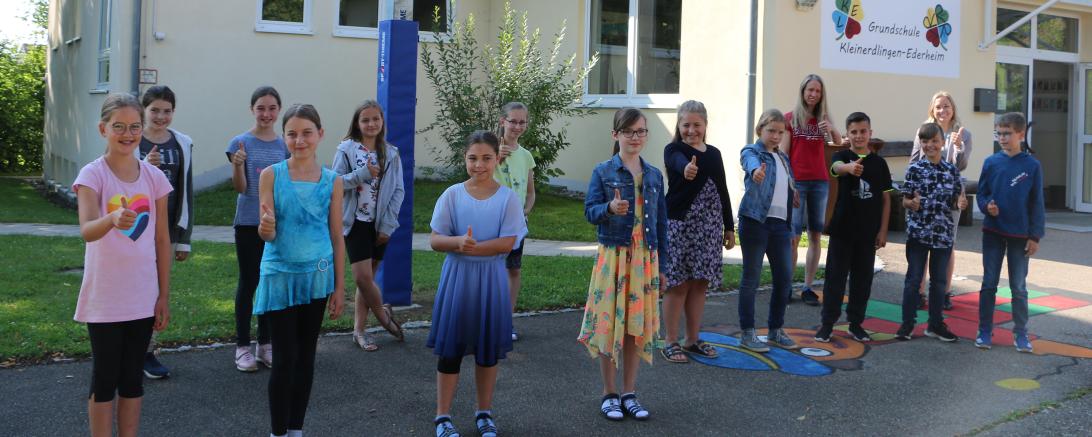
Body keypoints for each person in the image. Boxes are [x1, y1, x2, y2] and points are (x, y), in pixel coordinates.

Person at [74, 93, 172, 437]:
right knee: (105, 378)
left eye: (134, 127)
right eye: (119, 127)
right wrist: (112, 218)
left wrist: (163, 295)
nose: (127, 134)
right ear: (103, 129)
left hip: (142, 296)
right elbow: (87, 230)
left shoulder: (154, 177)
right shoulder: (92, 175)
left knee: (132, 378)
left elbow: (162, 240)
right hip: (105, 297)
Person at [253, 104, 346, 437]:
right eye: (292, 134)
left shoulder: (333, 181)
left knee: (305, 357)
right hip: (280, 277)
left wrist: (339, 286)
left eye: (307, 133)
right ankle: (278, 432)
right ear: (284, 137)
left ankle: (296, 430)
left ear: (320, 134)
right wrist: (265, 227)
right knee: (284, 358)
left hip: (316, 278)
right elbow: (267, 233)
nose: (300, 140)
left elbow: (336, 235)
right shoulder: (271, 175)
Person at [427, 131, 526, 437]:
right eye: (473, 158)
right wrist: (458, 242)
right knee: (451, 351)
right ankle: (443, 417)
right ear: (464, 159)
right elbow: (435, 239)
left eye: (486, 158)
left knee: (487, 351)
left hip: (491, 280)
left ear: (497, 159)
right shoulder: (452, 195)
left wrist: (472, 248)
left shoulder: (508, 198)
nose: (479, 165)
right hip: (458, 280)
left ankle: (484, 413)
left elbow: (508, 242)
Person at [578, 107, 667, 422]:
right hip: (614, 257)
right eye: (629, 131)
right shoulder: (603, 171)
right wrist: (609, 208)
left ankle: (629, 393)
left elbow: (661, 223)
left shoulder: (654, 174)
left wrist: (664, 267)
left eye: (641, 131)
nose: (635, 137)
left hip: (644, 259)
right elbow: (589, 211)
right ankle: (609, 393)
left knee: (634, 326)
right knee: (608, 325)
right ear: (616, 135)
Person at [660, 100, 734, 363]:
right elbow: (677, 162)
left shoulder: (714, 154)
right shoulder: (673, 150)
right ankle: (670, 340)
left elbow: (723, 190)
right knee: (678, 285)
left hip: (709, 229)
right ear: (678, 126)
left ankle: (692, 339)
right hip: (680, 227)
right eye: (686, 125)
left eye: (697, 125)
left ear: (705, 125)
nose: (691, 130)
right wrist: (686, 168)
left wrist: (729, 227)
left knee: (700, 284)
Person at [226, 86, 290, 372]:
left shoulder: (283, 146)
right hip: (248, 224)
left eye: (272, 108)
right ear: (252, 109)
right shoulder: (240, 143)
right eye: (261, 108)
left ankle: (265, 345)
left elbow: (285, 187)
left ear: (278, 111)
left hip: (276, 225)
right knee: (249, 282)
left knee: (270, 283)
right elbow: (241, 188)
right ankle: (242, 347)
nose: (266, 114)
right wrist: (237, 166)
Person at [332, 100, 405, 351]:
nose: (371, 124)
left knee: (368, 280)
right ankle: (384, 318)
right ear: (357, 123)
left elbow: (398, 191)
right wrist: (362, 174)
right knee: (363, 279)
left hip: (380, 224)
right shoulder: (346, 150)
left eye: (376, 119)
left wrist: (388, 225)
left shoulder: (391, 153)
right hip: (355, 222)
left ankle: (359, 331)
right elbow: (335, 183)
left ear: (382, 121)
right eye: (365, 120)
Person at [814, 112, 892, 343]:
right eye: (854, 132)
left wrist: (883, 230)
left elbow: (886, 199)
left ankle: (855, 324)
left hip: (867, 234)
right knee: (835, 279)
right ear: (847, 134)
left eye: (863, 131)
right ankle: (827, 324)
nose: (859, 136)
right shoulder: (841, 156)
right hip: (842, 231)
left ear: (870, 133)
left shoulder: (879, 163)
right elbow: (837, 167)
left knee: (862, 281)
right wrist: (848, 168)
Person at [975, 112, 1045, 352]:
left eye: (1007, 134)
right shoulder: (991, 163)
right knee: (989, 284)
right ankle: (984, 330)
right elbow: (982, 194)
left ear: (1021, 134)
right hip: (993, 232)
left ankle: (1021, 333)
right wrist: (987, 206)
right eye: (999, 134)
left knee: (1019, 287)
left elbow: (1037, 203)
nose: (1002, 138)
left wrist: (1035, 236)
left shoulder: (1032, 166)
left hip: (1020, 236)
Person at [137, 85, 193, 379]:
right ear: (143, 110)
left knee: (157, 291)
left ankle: (147, 351)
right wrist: (144, 166)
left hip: (168, 230)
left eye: (167, 111)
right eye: (155, 110)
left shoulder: (182, 142)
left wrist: (184, 239)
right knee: (133, 287)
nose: (161, 116)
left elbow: (187, 191)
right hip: (135, 230)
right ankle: (125, 348)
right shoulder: (132, 139)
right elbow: (121, 179)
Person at [896, 123, 967, 342]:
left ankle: (935, 325)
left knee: (938, 282)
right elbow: (905, 200)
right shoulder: (914, 169)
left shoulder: (951, 171)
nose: (930, 145)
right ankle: (907, 324)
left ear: (942, 143)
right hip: (918, 234)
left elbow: (956, 201)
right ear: (921, 143)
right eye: (925, 141)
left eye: (934, 141)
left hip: (943, 235)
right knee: (913, 280)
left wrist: (961, 203)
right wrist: (911, 204)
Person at [738, 109, 800, 353]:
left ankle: (775, 330)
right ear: (759, 130)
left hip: (780, 225)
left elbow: (786, 184)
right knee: (751, 278)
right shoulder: (752, 152)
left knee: (784, 279)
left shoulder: (783, 158)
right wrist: (756, 171)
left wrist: (793, 193)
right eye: (771, 131)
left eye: (780, 132)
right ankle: (747, 333)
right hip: (756, 222)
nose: (775, 136)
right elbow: (749, 162)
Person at [783, 74, 842, 306]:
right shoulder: (790, 119)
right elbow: (783, 154)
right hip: (797, 182)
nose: (813, 94)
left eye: (817, 91)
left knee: (816, 235)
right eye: (810, 90)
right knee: (793, 237)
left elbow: (839, 143)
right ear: (803, 91)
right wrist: (790, 184)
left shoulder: (823, 119)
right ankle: (786, 287)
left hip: (819, 181)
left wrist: (832, 129)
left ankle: (807, 287)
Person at [910, 91, 973, 310]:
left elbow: (961, 166)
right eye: (938, 107)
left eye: (946, 106)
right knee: (922, 244)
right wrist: (913, 192)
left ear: (953, 109)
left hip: (950, 196)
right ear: (932, 110)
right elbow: (914, 161)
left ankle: (944, 292)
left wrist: (959, 147)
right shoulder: (924, 130)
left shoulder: (963, 133)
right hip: (926, 194)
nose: (942, 110)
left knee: (948, 244)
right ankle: (919, 292)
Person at [494, 102, 536, 342]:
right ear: (503, 121)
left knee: (513, 269)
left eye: (522, 122)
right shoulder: (490, 150)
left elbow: (530, 192)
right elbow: (476, 176)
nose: (518, 126)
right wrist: (495, 158)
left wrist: (526, 211)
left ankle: (505, 320)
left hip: (515, 225)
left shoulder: (526, 156)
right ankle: (486, 319)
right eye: (513, 121)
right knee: (491, 270)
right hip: (492, 222)